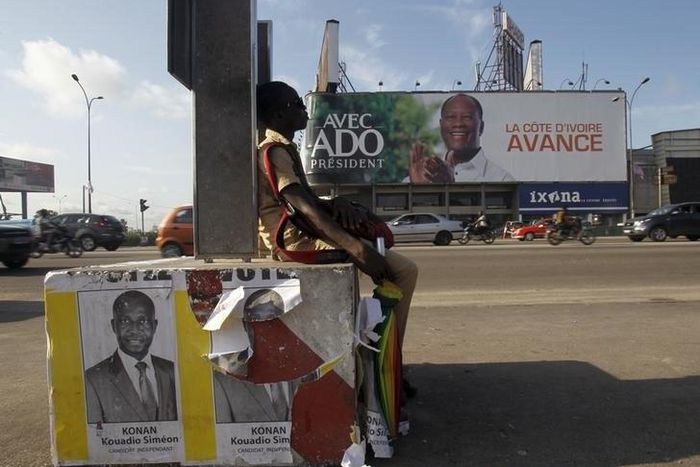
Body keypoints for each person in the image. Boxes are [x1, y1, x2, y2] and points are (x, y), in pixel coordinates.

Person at [256, 81, 418, 394]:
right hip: (296, 241)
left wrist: (335, 204)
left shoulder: (284, 149)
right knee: (403, 271)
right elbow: (301, 208)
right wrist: (355, 247)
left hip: (303, 232)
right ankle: (383, 365)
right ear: (277, 115)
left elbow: (307, 203)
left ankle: (384, 358)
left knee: (397, 270)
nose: (304, 110)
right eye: (296, 105)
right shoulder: (274, 151)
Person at [85, 290, 177, 424]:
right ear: (113, 326)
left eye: (143, 321)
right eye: (125, 321)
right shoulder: (93, 379)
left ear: (154, 326)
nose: (134, 329)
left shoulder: (172, 370)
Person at [409, 94, 514, 183]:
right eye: (450, 117)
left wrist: (450, 188)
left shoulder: (502, 179)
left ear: (481, 127)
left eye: (467, 117)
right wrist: (419, 191)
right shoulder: (421, 175)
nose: (458, 124)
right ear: (441, 126)